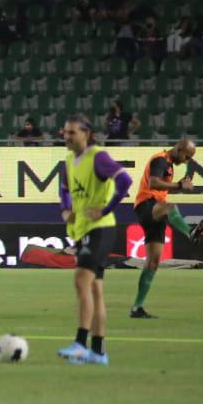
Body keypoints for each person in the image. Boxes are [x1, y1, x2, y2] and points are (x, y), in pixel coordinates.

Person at [55, 114, 132, 366]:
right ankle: (98, 352)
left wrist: (106, 209)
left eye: (72, 132)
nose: (67, 137)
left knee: (81, 281)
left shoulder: (97, 156)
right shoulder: (68, 161)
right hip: (82, 230)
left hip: (100, 229)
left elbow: (124, 180)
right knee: (96, 291)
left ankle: (80, 343)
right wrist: (65, 210)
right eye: (65, 132)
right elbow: (65, 189)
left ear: (86, 133)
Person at [129, 139, 197, 319]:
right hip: (146, 205)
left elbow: (162, 188)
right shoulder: (160, 160)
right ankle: (189, 232)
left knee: (153, 262)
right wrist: (179, 186)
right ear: (179, 149)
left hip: (156, 210)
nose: (186, 160)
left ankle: (137, 308)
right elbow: (153, 183)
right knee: (170, 207)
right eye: (186, 156)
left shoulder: (170, 166)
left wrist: (178, 186)